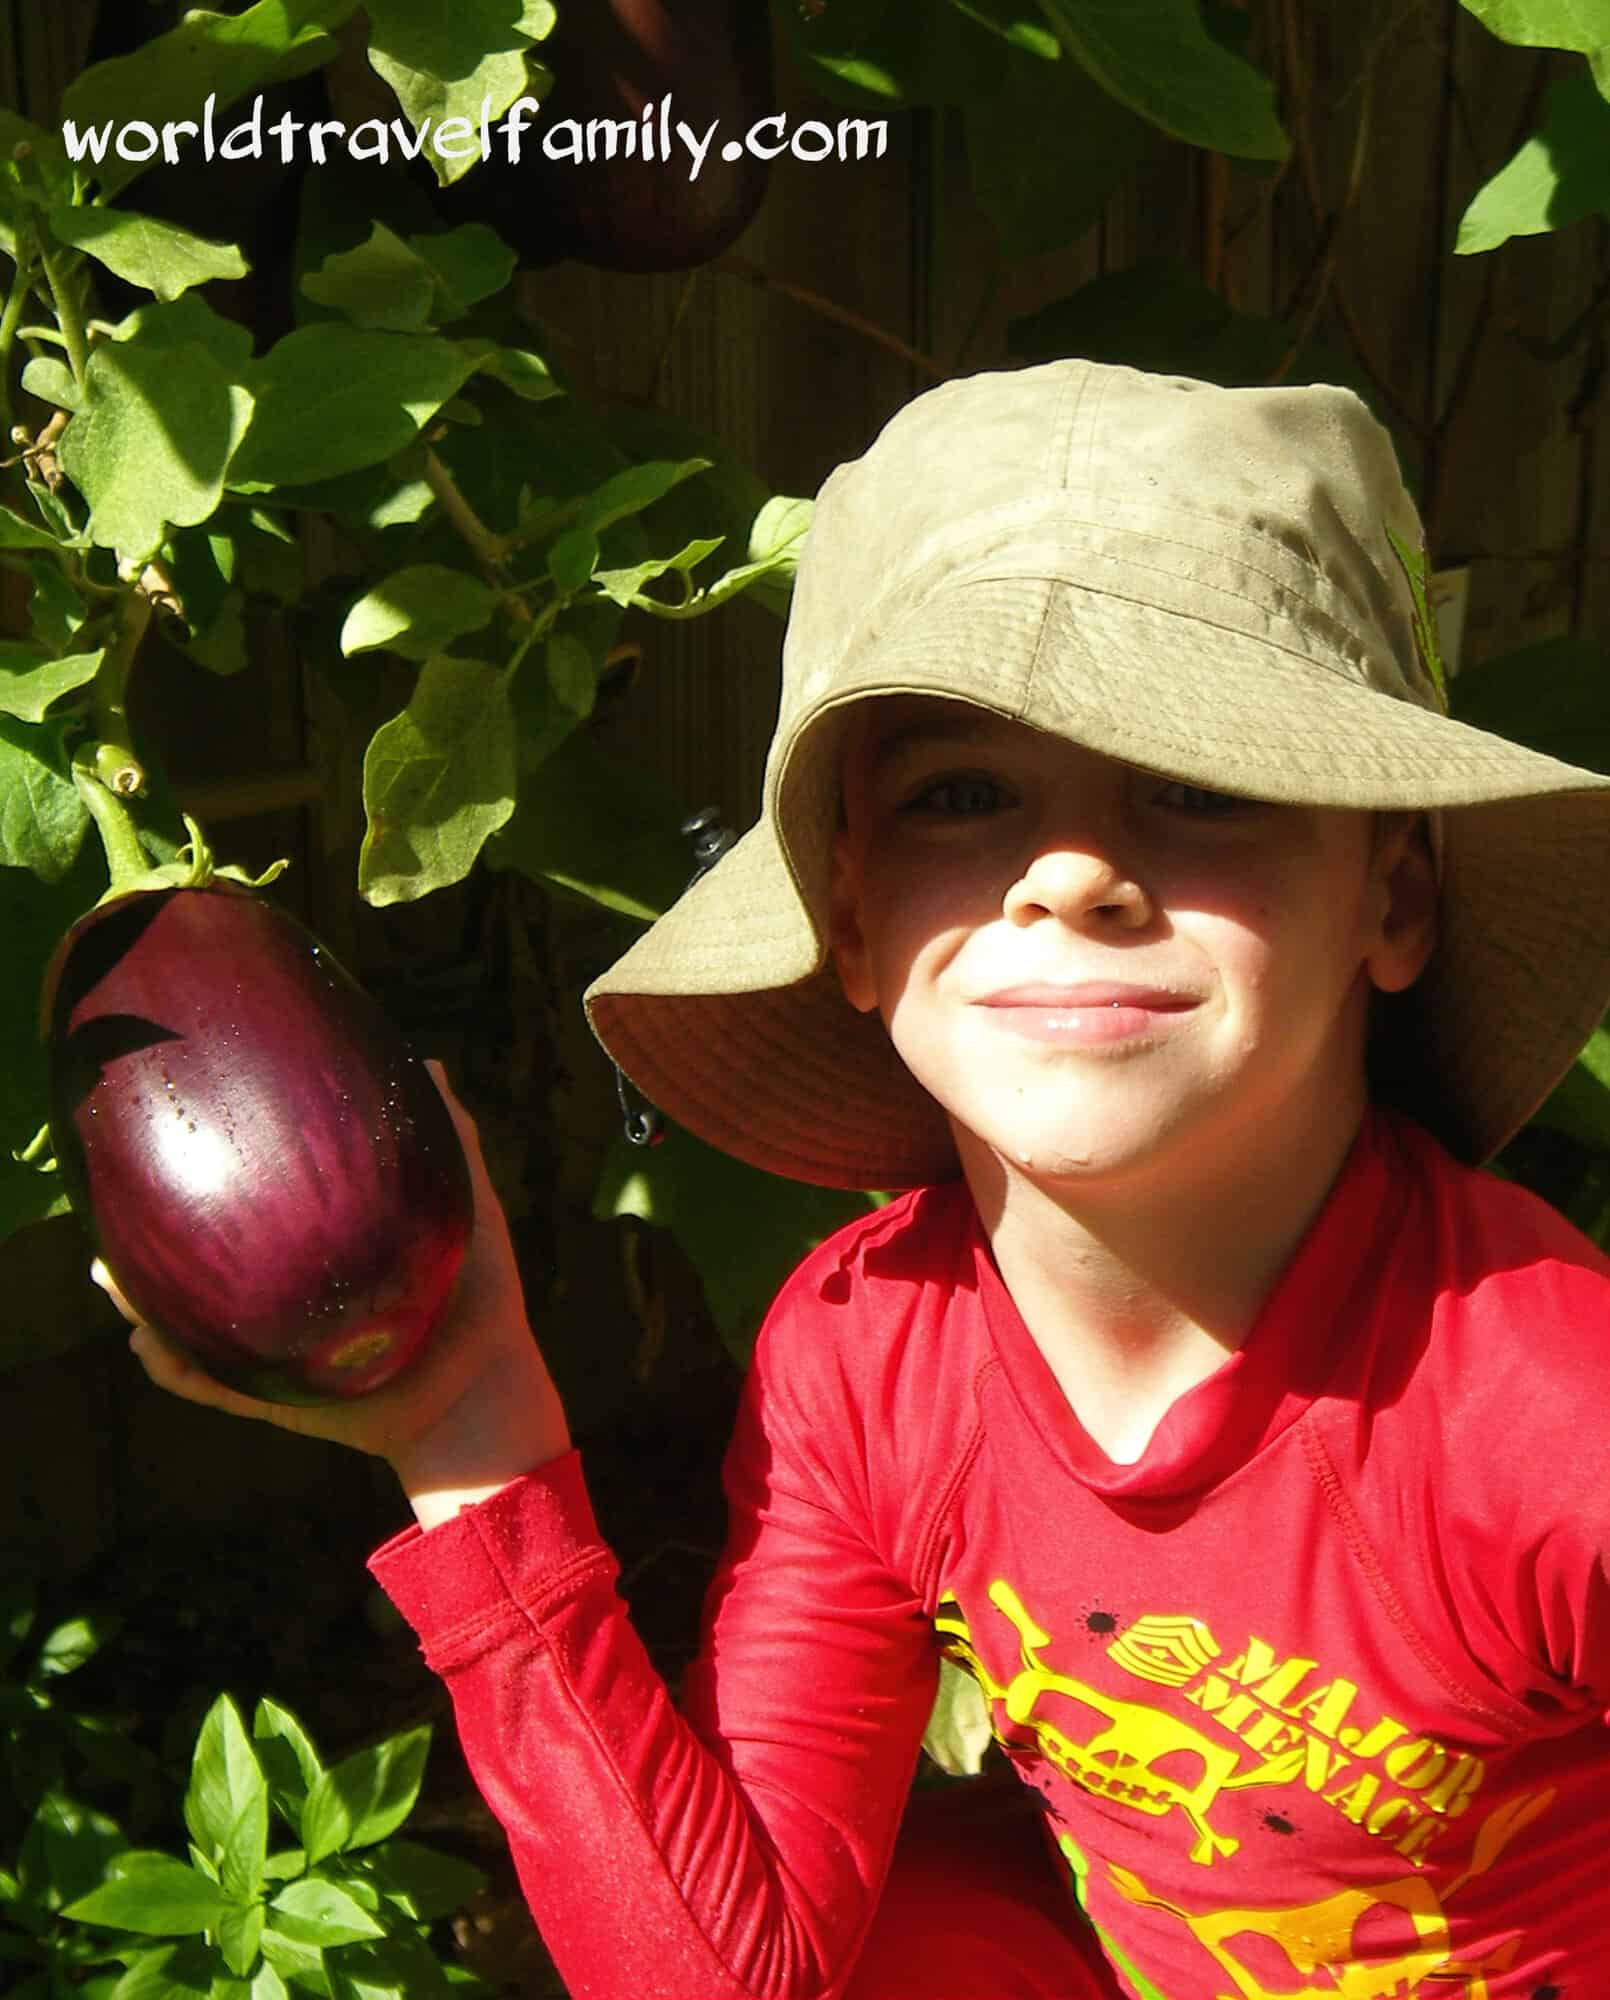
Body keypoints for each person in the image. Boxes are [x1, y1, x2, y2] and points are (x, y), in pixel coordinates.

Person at [112, 361, 1610, 1998]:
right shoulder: (866, 1353)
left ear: (1393, 899)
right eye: (960, 796)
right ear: (847, 919)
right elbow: (724, 1976)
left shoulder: (1540, 1415)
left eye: (1201, 787)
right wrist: (465, 1435)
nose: (1073, 874)